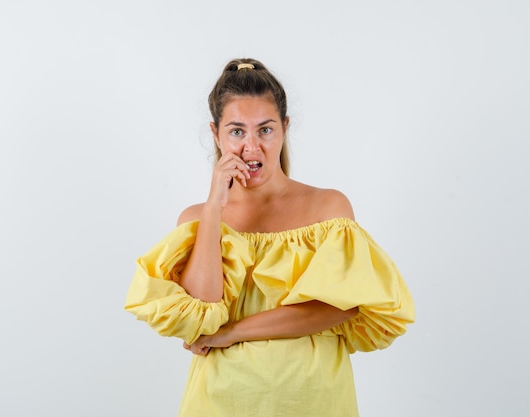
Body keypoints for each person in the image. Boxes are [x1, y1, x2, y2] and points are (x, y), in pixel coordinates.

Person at [124, 58, 415, 417]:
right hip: (219, 401)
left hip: (314, 399)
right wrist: (214, 206)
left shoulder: (328, 207)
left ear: (284, 128)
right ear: (215, 134)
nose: (251, 147)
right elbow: (200, 314)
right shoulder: (197, 220)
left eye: (265, 130)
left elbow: (337, 306)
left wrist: (230, 334)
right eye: (236, 131)